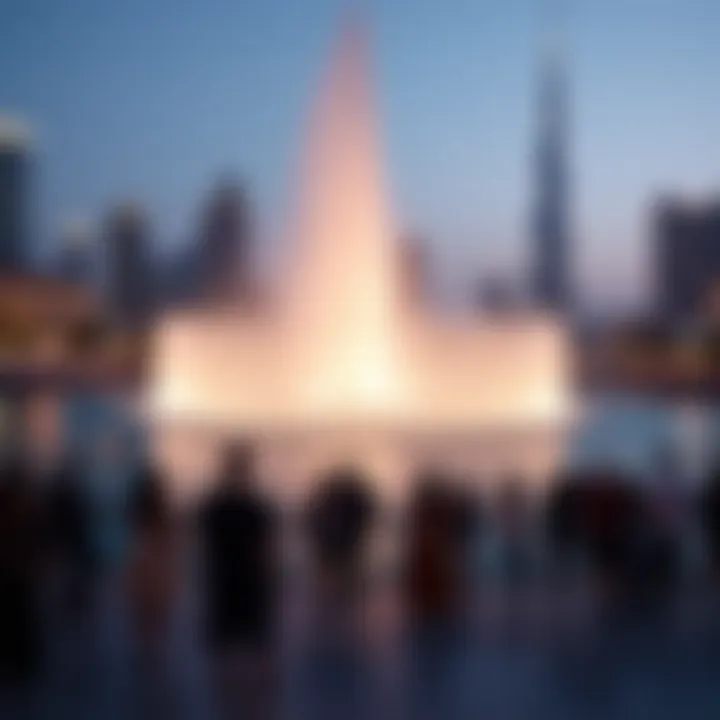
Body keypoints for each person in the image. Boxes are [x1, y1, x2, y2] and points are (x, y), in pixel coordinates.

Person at [198, 442, 278, 719]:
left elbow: (205, 553)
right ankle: (249, 711)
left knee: (232, 660)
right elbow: (266, 556)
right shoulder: (256, 511)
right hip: (244, 590)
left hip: (229, 589)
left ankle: (237, 710)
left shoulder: (213, 509)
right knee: (251, 659)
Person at [304, 467, 377, 628]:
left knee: (340, 583)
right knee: (338, 582)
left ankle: (337, 611)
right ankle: (337, 611)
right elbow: (312, 522)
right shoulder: (333, 503)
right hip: (335, 547)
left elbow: (312, 522)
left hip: (340, 547)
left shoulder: (334, 503)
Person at [0, 458, 45, 690]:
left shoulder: (19, 510)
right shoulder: (20, 510)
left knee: (18, 616)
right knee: (18, 616)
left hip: (15, 571)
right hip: (15, 571)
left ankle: (19, 661)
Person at [45, 455, 95, 619]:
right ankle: (74, 607)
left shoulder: (62, 495)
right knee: (71, 579)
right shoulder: (73, 496)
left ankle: (73, 606)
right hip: (70, 544)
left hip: (70, 545)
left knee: (70, 579)